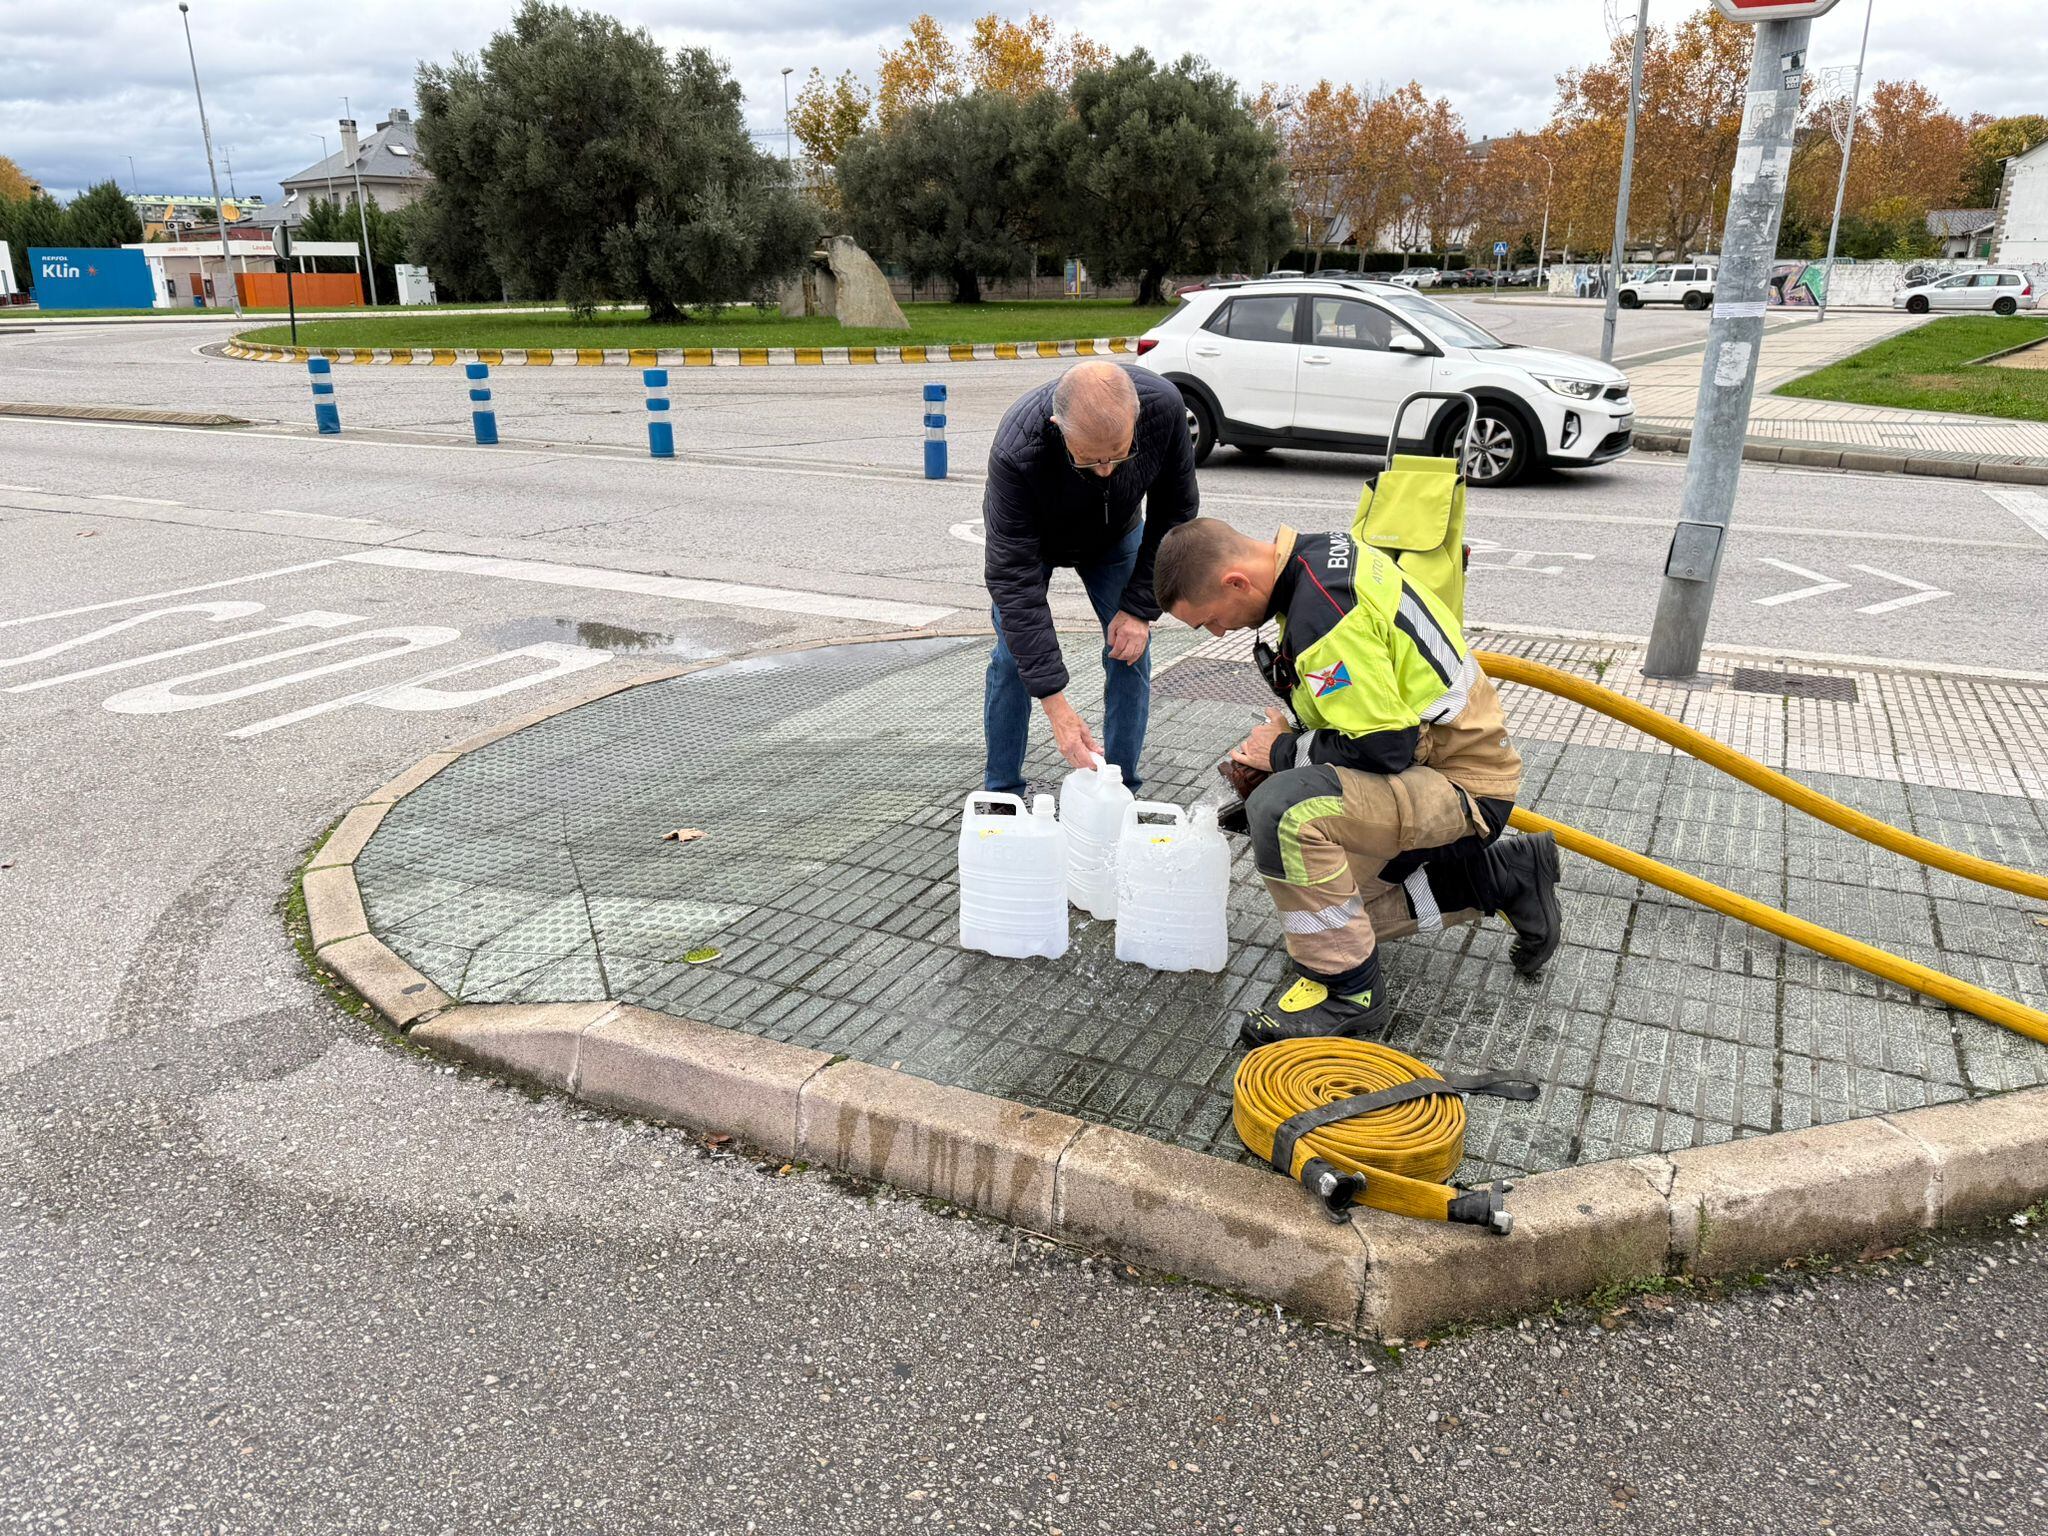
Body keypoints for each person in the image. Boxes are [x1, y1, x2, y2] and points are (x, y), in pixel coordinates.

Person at [1152, 516, 1562, 1044]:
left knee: (1282, 812)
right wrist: (1293, 730)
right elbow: (1370, 699)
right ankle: (1505, 876)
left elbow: (1384, 748)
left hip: (1460, 784)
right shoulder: (1318, 559)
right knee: (1338, 917)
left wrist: (1281, 753)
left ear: (1236, 581)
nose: (1218, 633)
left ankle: (1350, 996)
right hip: (1442, 761)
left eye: (1210, 620)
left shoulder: (1321, 617)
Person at [982, 360, 1199, 795]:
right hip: (1035, 543)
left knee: (1130, 649)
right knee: (1012, 658)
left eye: (1119, 455)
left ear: (1136, 418)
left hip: (1115, 534)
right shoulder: (1016, 449)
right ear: (1057, 427)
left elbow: (1174, 513)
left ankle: (1121, 787)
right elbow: (1014, 581)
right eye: (1089, 459)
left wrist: (1140, 609)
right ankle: (1002, 791)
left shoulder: (1163, 407)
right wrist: (1057, 706)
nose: (1105, 470)